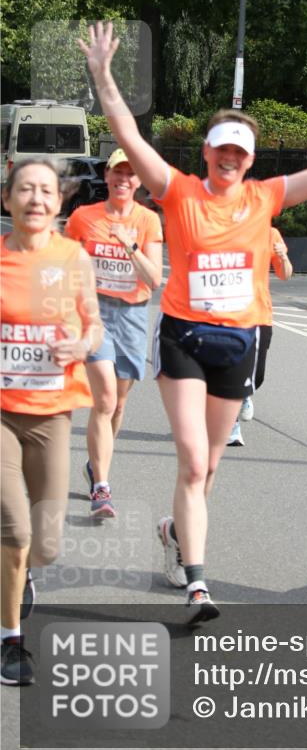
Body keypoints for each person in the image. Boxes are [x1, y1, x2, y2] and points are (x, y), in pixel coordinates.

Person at [78, 21, 307, 623]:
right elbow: (126, 133)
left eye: (239, 151)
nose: (229, 156)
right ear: (207, 152)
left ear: (249, 160)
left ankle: (173, 533)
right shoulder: (178, 190)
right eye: (221, 147)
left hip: (237, 342)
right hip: (184, 336)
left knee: (211, 466)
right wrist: (102, 75)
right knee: (193, 462)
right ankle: (198, 584)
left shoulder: (264, 197)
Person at [1, 159, 101, 684]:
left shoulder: (73, 259)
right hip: (0, 413)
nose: (36, 199)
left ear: (59, 203)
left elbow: (95, 328)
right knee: (14, 531)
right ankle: (11, 640)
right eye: (25, 190)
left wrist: (80, 345)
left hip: (52, 412)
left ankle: (20, 578)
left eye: (45, 191)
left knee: (45, 544)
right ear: (8, 200)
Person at [65, 148, 163, 518]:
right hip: (94, 314)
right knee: (104, 401)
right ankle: (102, 489)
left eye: (130, 174)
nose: (123, 180)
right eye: (117, 173)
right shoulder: (83, 218)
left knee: (118, 404)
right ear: (106, 177)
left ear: (139, 182)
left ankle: (96, 464)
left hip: (133, 315)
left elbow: (153, 279)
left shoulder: (148, 221)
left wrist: (129, 243)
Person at [227, 226, 293, 446]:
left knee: (259, 374)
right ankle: (231, 426)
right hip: (229, 314)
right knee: (231, 370)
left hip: (259, 314)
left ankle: (246, 393)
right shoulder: (225, 228)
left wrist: (283, 257)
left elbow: (286, 274)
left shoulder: (270, 233)